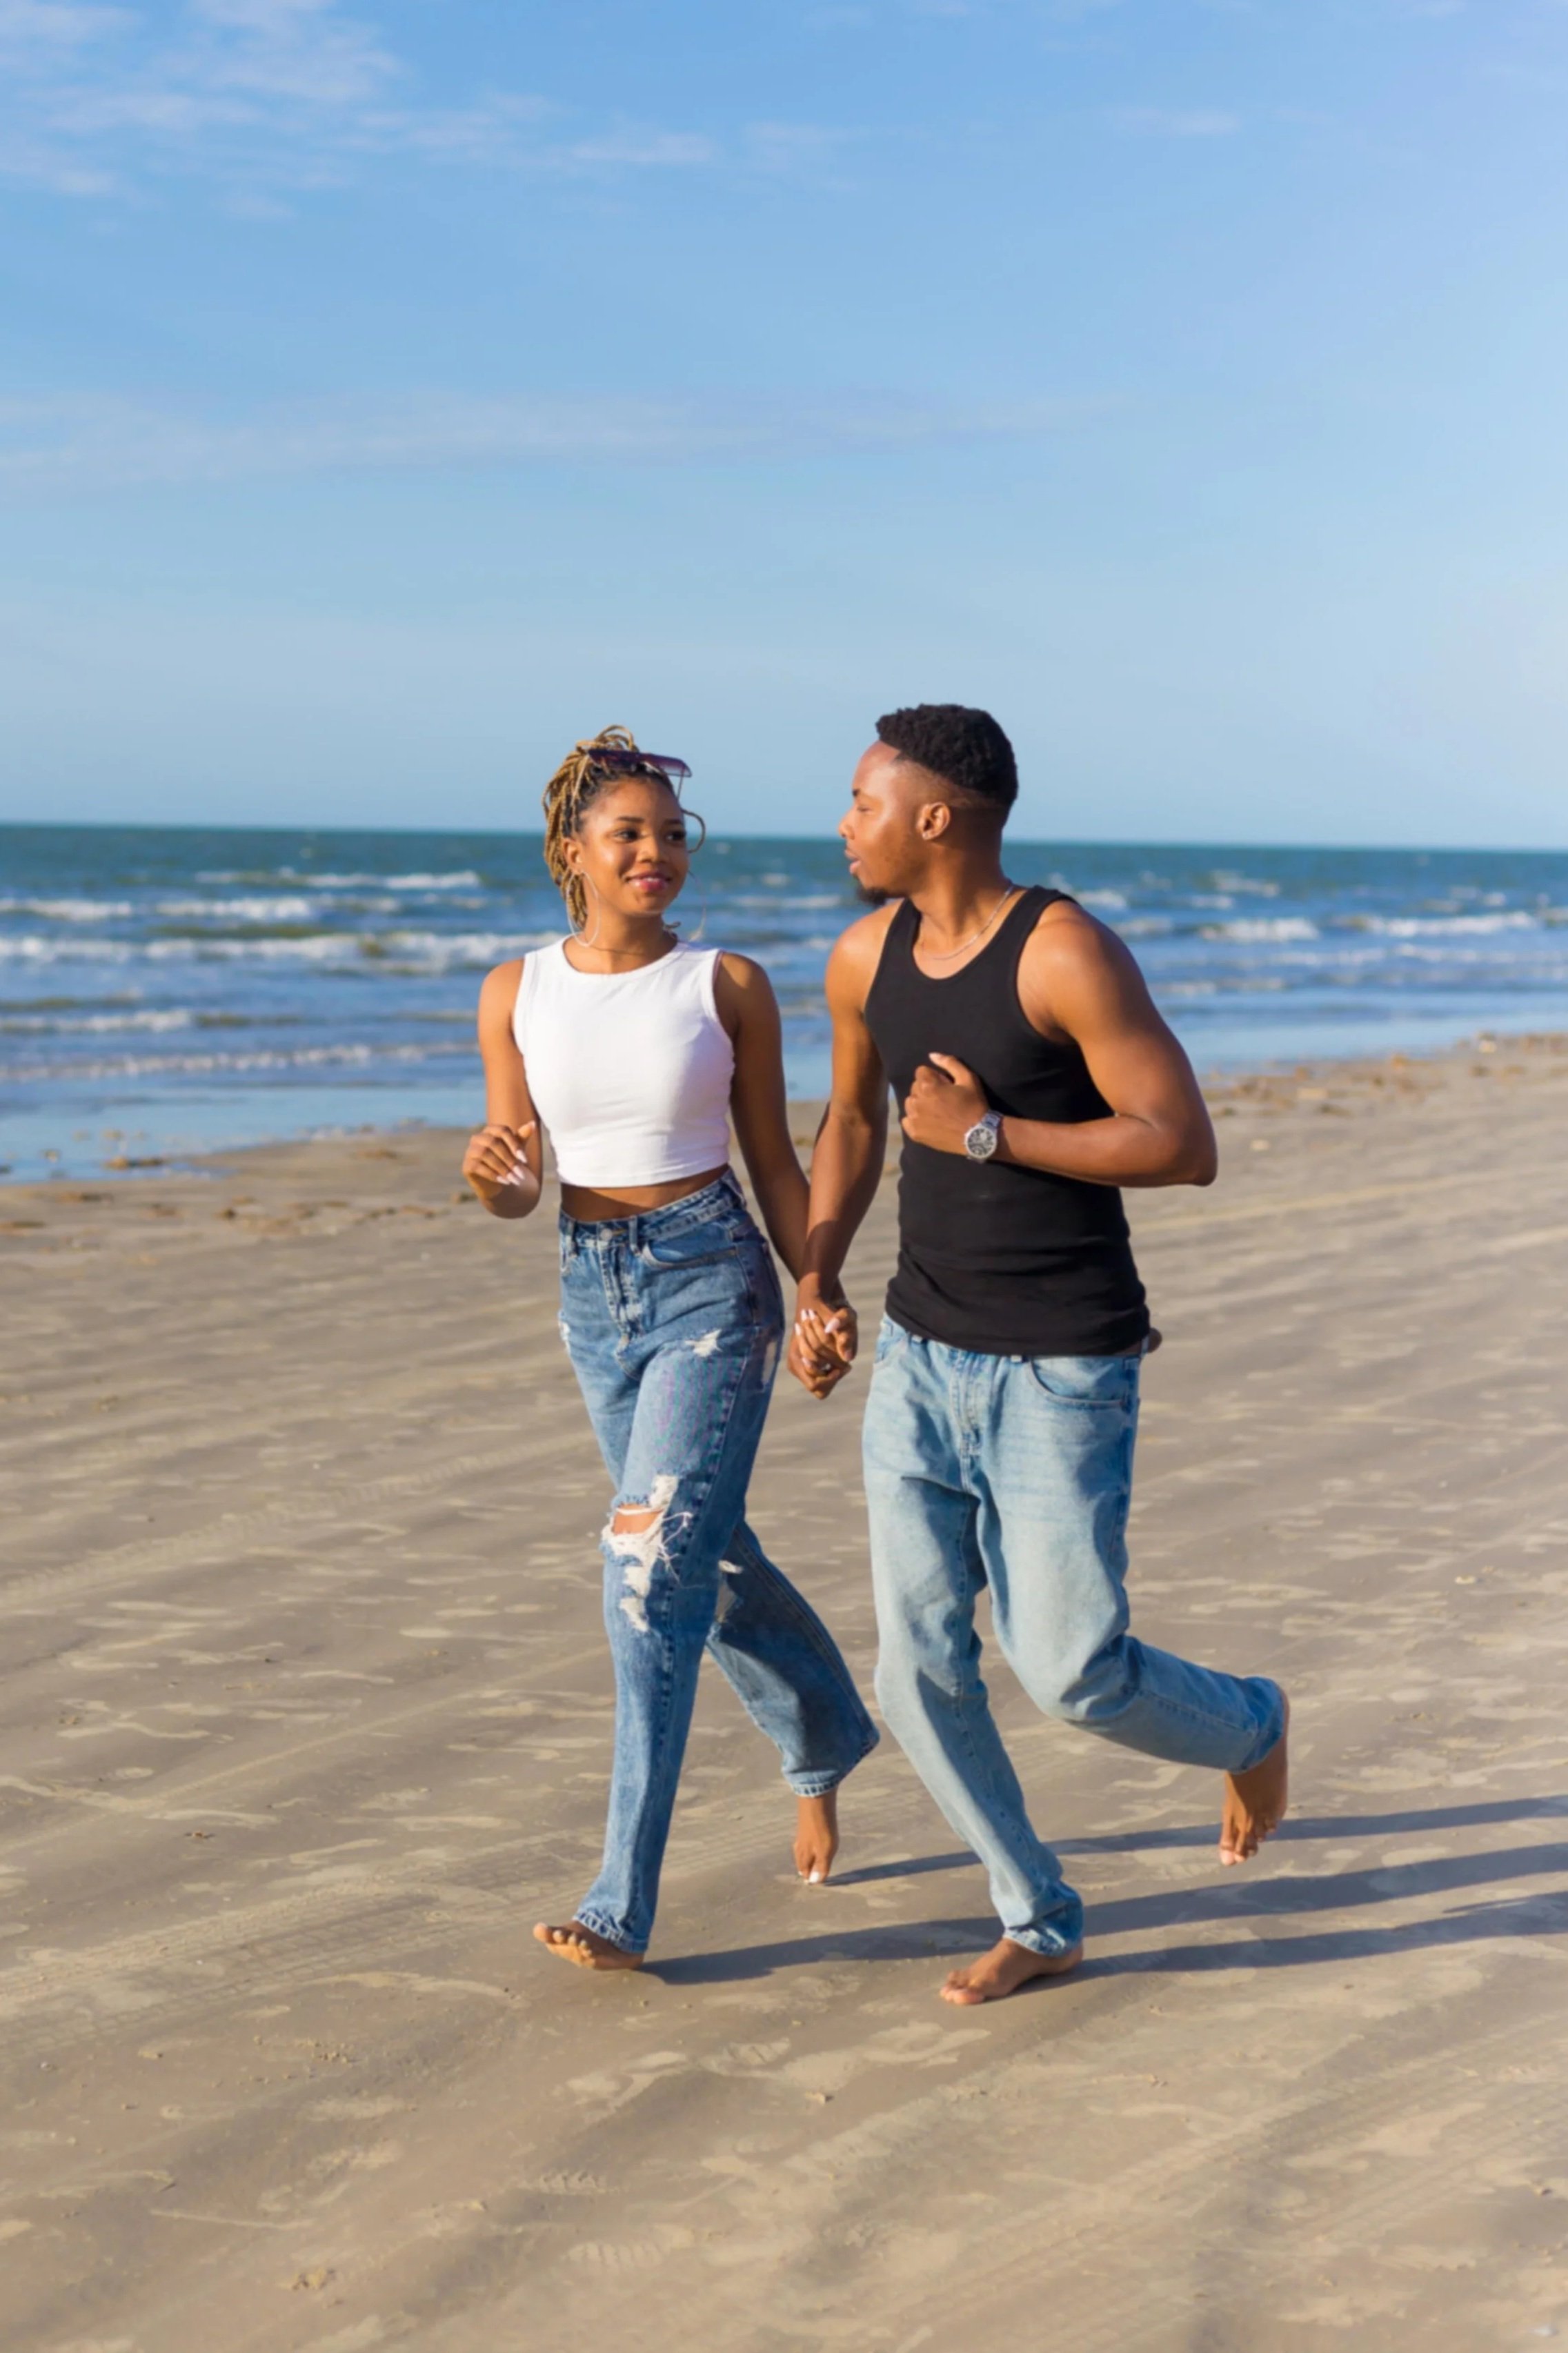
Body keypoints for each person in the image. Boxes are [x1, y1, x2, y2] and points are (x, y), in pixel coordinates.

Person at [790, 704, 1289, 2006]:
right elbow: (846, 1118)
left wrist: (986, 1137)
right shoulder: (860, 957)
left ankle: (1250, 1723)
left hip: (1063, 1366)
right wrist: (816, 1269)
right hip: (916, 1352)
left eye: (862, 801)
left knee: (1070, 1672)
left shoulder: (1064, 953)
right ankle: (1037, 1912)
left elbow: (1181, 1143)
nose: (843, 824)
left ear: (935, 818)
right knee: (915, 1669)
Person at [463, 728, 876, 1974]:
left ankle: (619, 1900)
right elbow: (518, 1186)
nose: (656, 853)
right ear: (572, 852)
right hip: (592, 1291)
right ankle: (823, 1741)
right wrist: (488, 1174)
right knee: (704, 1551)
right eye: (628, 833)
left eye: (672, 833)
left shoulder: (725, 984)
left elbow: (774, 1160)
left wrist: (817, 1285)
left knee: (642, 1567)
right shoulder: (513, 991)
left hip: (713, 1278)